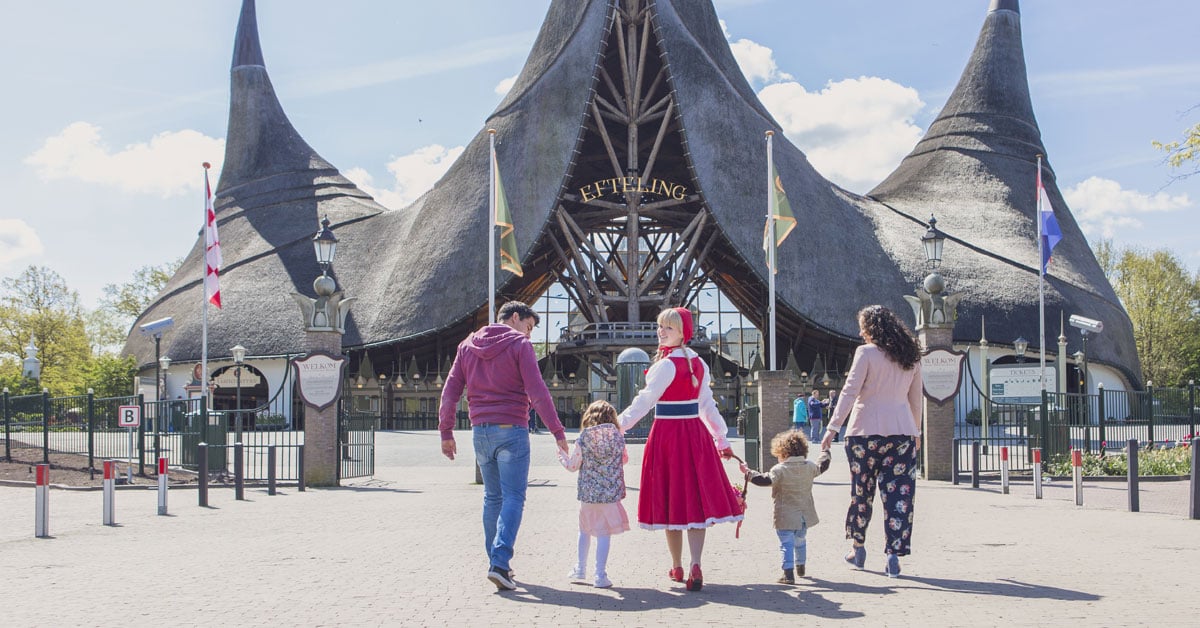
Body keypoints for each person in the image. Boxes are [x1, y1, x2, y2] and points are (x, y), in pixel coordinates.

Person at [439, 301, 570, 591]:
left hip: (480, 432)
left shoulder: (466, 346)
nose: (530, 335)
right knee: (513, 497)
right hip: (512, 428)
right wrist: (558, 432)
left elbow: (450, 393)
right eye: (529, 327)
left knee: (492, 497)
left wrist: (446, 431)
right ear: (514, 318)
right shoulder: (519, 346)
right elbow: (537, 392)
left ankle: (497, 564)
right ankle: (499, 562)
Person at [617, 307, 744, 592]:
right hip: (695, 436)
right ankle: (695, 563)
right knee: (695, 501)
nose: (662, 332)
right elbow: (707, 405)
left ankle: (677, 565)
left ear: (682, 333)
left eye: (669, 328)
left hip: (667, 436)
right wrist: (721, 438)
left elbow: (645, 401)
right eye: (660, 327)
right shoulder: (698, 363)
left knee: (672, 499)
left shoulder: (666, 365)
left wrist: (619, 424)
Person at [820, 305, 923, 579]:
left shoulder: (865, 353)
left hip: (864, 433)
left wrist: (832, 428)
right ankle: (893, 556)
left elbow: (850, 391)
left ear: (871, 329)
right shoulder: (911, 355)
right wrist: (917, 432)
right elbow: (916, 399)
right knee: (899, 497)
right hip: (901, 434)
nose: (860, 332)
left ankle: (858, 548)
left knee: (861, 493)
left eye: (862, 326)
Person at [740, 430, 831, 584]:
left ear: (782, 452)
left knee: (786, 543)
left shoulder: (779, 469)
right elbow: (823, 465)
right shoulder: (809, 466)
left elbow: (764, 480)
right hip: (804, 515)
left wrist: (748, 473)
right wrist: (825, 451)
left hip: (785, 515)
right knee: (800, 540)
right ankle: (801, 565)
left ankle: (788, 574)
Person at [559, 400, 630, 589]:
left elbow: (572, 466)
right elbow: (625, 460)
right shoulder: (618, 437)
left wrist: (561, 456)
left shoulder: (583, 438)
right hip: (609, 496)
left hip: (588, 495)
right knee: (604, 534)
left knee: (584, 531)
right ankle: (600, 575)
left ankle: (580, 568)